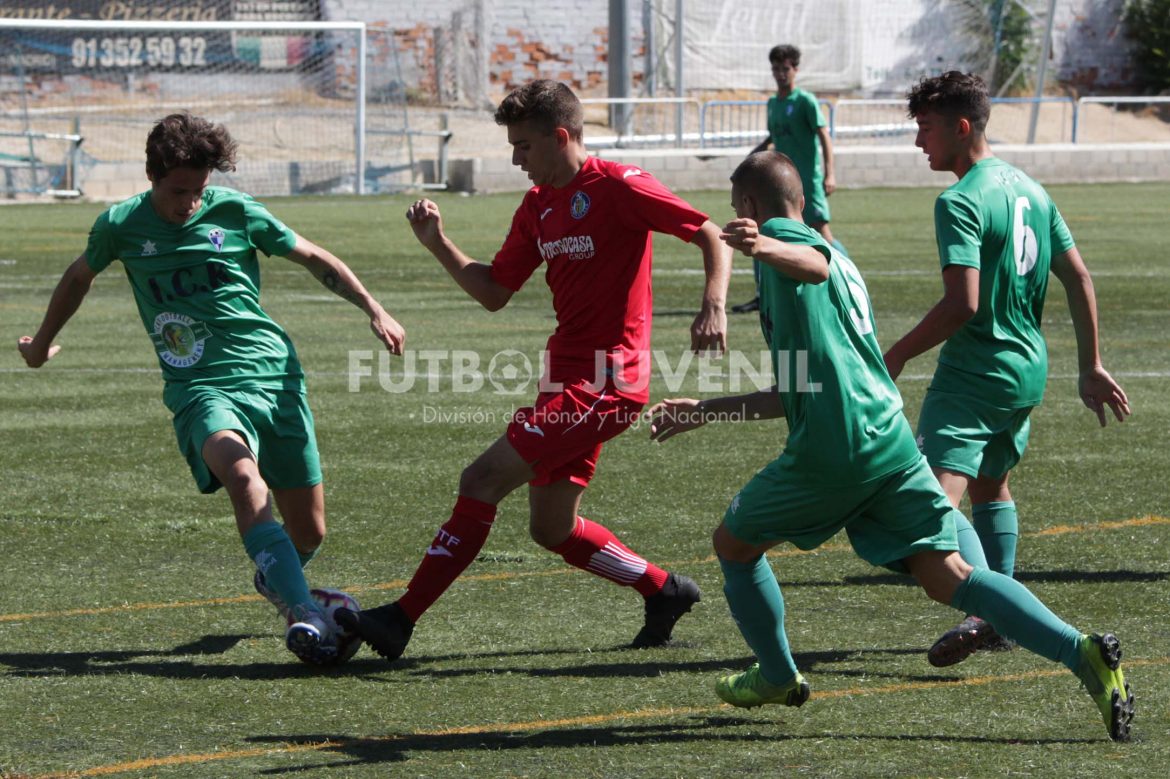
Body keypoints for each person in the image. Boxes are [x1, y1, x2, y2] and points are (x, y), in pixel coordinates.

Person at [647, 150, 1133, 742]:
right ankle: (1081, 651)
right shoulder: (844, 257)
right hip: (889, 439)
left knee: (734, 544)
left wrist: (762, 246)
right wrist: (707, 412)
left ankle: (776, 676)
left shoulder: (784, 245)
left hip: (836, 452)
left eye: (736, 210)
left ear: (750, 207)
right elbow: (800, 384)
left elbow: (810, 265)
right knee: (946, 574)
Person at [335, 79, 731, 661]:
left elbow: (709, 232)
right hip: (564, 379)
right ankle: (664, 589)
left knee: (480, 481)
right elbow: (494, 290)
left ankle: (399, 619)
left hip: (608, 380)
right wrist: (437, 242)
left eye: (523, 146)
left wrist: (713, 304)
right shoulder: (538, 205)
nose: (515, 158)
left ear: (561, 136)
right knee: (550, 529)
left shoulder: (619, 185)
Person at [17, 113, 406, 665]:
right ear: (152, 176)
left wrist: (375, 309)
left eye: (198, 190)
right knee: (244, 479)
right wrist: (40, 345)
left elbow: (315, 257)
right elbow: (79, 276)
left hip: (275, 376)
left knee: (309, 533)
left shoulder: (234, 211)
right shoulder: (120, 225)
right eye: (179, 191)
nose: (189, 203)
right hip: (200, 387)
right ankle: (303, 614)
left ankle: (280, 575)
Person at [882, 72, 1131, 667]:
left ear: (961, 127)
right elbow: (1079, 276)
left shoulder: (961, 200)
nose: (919, 142)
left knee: (928, 513)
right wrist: (1090, 363)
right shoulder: (1031, 189)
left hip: (974, 373)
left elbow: (961, 305)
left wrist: (893, 355)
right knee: (992, 484)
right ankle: (996, 619)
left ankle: (996, 611)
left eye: (926, 128)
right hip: (1026, 371)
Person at [732, 44, 844, 315]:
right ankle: (763, 293)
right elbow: (774, 138)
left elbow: (823, 136)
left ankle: (844, 275)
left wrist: (830, 172)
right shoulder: (773, 104)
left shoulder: (805, 101)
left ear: (795, 70)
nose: (780, 74)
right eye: (775, 69)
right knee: (765, 229)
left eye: (785, 69)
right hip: (777, 184)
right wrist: (752, 157)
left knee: (821, 232)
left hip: (806, 181)